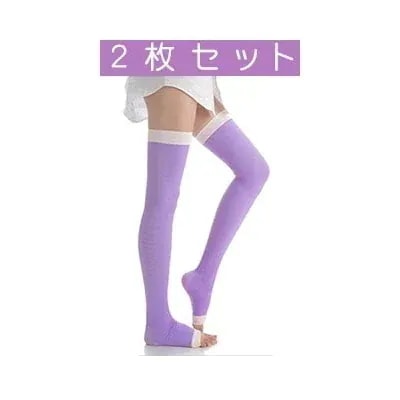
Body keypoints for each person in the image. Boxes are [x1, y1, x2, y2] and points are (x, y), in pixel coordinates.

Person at [124, 76, 270, 348]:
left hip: (195, 71)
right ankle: (158, 323)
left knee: (253, 171)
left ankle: (203, 278)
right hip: (172, 71)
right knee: (163, 197)